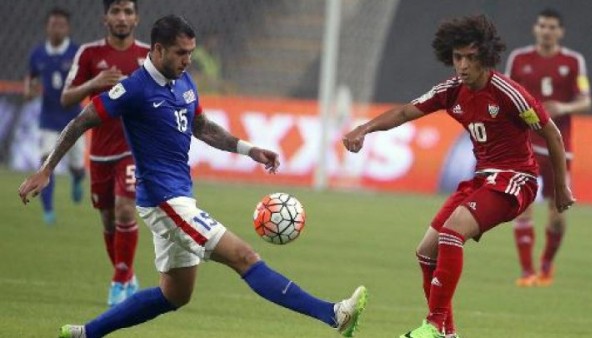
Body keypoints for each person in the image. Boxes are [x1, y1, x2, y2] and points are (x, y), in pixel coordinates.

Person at [19, 15, 367, 338]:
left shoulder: (183, 81)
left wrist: (249, 150)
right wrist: (47, 169)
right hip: (163, 201)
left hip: (181, 195)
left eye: (191, 52)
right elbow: (81, 121)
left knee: (175, 294)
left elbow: (201, 127)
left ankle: (87, 334)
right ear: (157, 50)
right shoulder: (134, 89)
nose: (188, 60)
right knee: (244, 257)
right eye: (180, 53)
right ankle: (334, 315)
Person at [343, 15, 574, 338]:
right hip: (482, 179)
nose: (463, 65)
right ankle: (448, 333)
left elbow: (550, 132)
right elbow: (405, 111)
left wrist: (561, 186)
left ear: (485, 57)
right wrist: (364, 128)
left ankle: (434, 325)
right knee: (426, 251)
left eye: (470, 57)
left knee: (453, 232)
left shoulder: (509, 93)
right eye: (457, 58)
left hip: (516, 179)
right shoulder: (451, 91)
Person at [61, 0, 149, 306]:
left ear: (136, 18)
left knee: (126, 209)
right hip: (99, 151)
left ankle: (118, 282)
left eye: (127, 12)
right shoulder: (89, 53)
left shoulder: (149, 56)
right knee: (109, 221)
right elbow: (66, 98)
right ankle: (127, 274)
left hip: (132, 149)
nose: (122, 17)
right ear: (105, 18)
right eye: (116, 11)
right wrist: (95, 83)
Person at [505, 8, 592, 287]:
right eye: (542, 26)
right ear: (536, 28)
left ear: (560, 32)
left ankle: (546, 264)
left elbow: (585, 100)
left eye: (552, 27)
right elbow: (507, 93)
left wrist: (564, 106)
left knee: (557, 213)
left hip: (558, 148)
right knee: (523, 206)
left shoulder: (572, 61)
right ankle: (527, 271)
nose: (547, 31)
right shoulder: (519, 58)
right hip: (525, 145)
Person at [24, 7, 85, 225]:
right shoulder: (38, 53)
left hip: (75, 120)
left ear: (67, 28)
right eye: (53, 25)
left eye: (61, 25)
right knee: (45, 164)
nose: (56, 29)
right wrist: (29, 90)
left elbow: (87, 80)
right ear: (46, 27)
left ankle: (78, 177)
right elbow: (30, 78)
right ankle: (48, 212)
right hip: (48, 119)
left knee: (77, 166)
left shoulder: (77, 53)